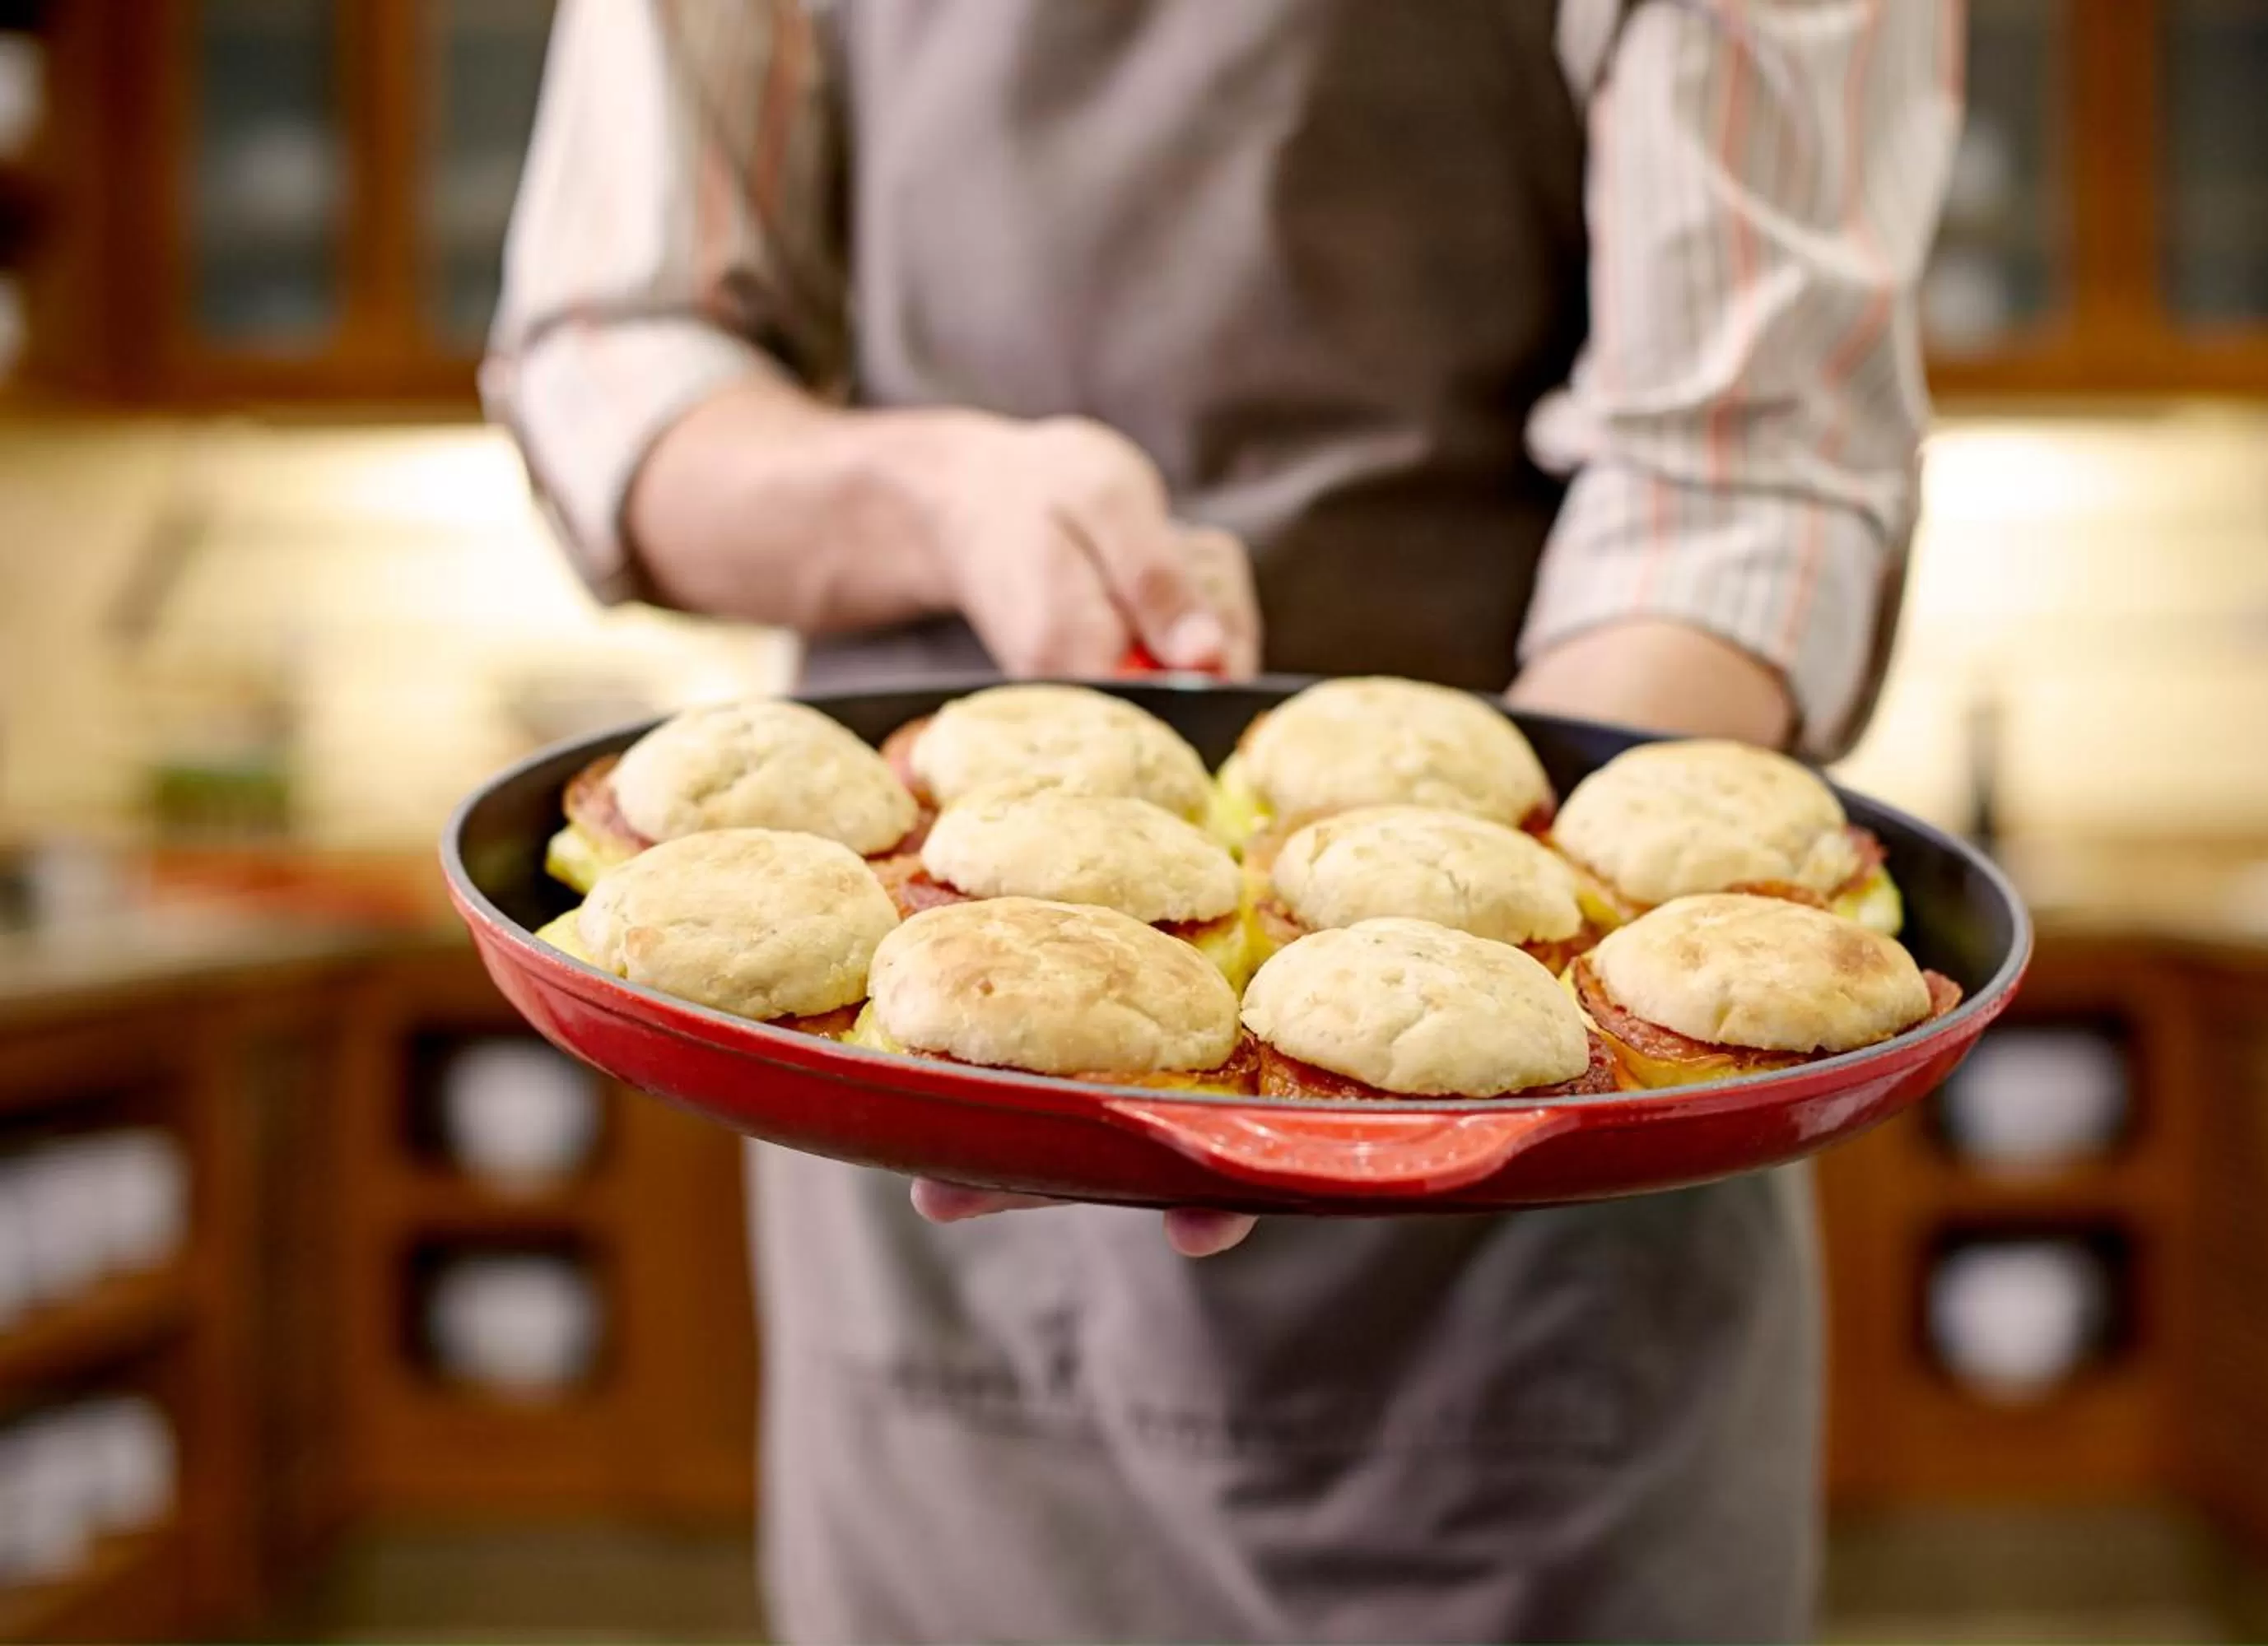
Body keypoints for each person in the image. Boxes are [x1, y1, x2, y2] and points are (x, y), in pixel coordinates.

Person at [487, 2, 1958, 1639]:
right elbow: (612, 354)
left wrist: (1469, 925)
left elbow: (1746, 476)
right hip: (925, 1127)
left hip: (1537, 1206)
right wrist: (941, 499)